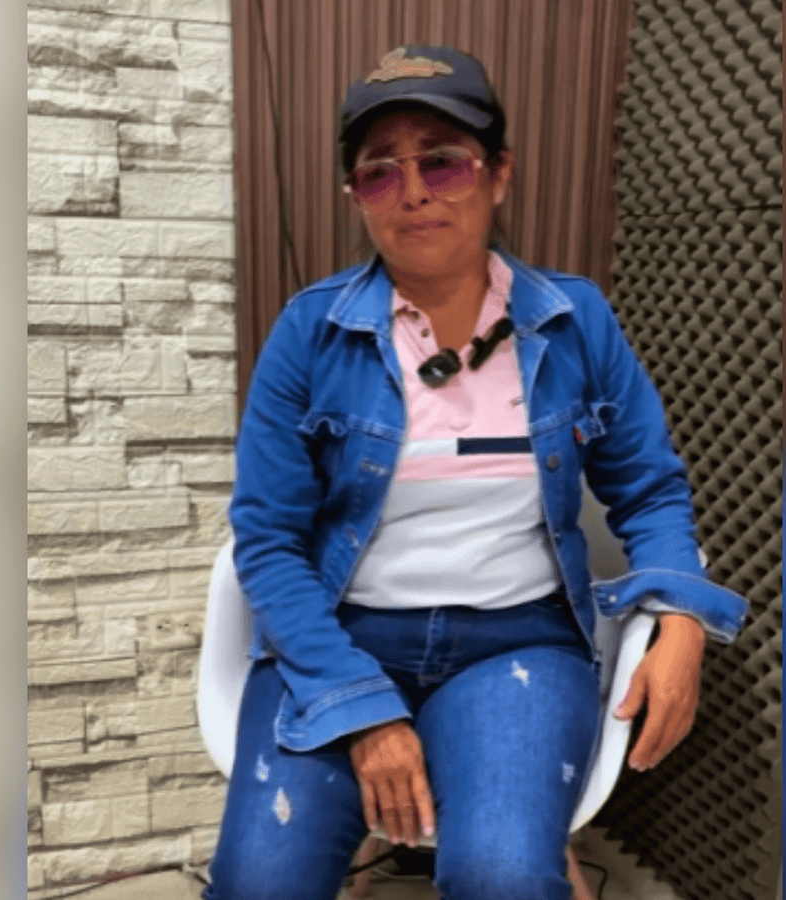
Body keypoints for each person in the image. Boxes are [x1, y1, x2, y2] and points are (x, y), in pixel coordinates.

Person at [205, 45, 748, 900]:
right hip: (340, 635)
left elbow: (649, 489)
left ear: (499, 174)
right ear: (355, 197)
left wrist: (681, 618)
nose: (414, 191)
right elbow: (267, 541)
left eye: (444, 161)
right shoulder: (309, 334)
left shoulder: (576, 322)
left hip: (518, 642)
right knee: (257, 886)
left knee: (504, 878)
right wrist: (361, 706)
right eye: (379, 172)